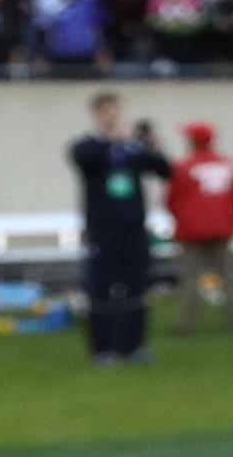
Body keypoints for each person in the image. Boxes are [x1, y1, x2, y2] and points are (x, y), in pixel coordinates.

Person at [68, 92, 167, 365]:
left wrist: (154, 148)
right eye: (109, 112)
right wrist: (114, 141)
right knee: (101, 288)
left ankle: (133, 345)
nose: (115, 117)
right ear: (98, 115)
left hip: (133, 228)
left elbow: (164, 170)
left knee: (135, 287)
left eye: (117, 111)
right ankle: (103, 348)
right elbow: (83, 158)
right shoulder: (88, 146)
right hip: (103, 229)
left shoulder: (132, 149)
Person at [163, 121, 233, 333]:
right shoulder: (229, 164)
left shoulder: (183, 166)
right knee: (227, 277)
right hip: (222, 228)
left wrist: (180, 219)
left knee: (190, 278)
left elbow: (171, 198)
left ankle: (186, 323)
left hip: (191, 230)